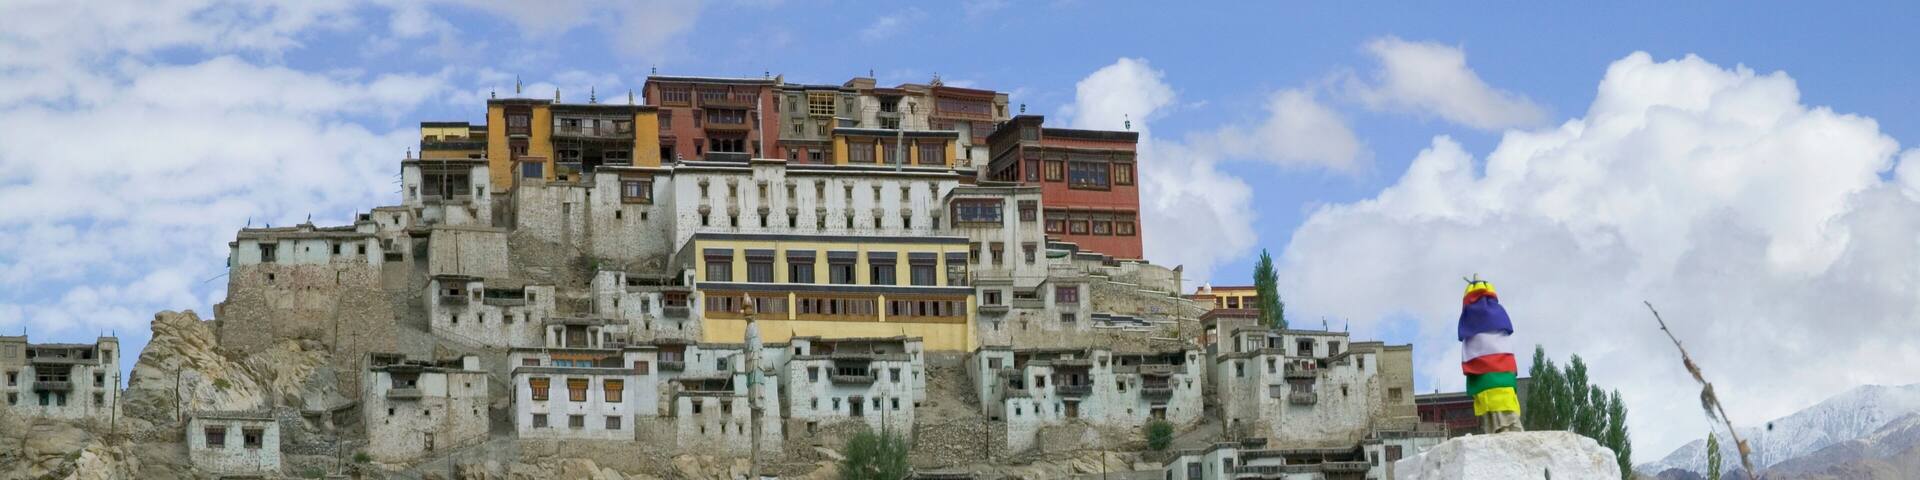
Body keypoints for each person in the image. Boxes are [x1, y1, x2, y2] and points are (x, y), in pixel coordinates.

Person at [1458, 275, 1523, 433]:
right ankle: (1507, 425)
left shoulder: (1469, 318)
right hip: (1502, 373)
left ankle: (1499, 427)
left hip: (1488, 377)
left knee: (1492, 405)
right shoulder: (1499, 314)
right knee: (1503, 404)